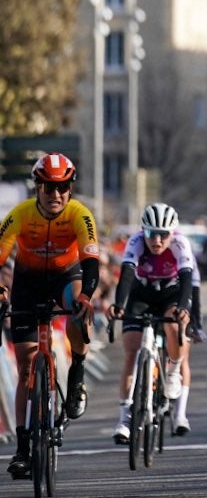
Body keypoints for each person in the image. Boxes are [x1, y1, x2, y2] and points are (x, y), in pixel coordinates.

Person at [0, 153, 100, 478]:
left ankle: (78, 375)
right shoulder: (19, 215)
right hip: (27, 284)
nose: (55, 194)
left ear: (70, 188)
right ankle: (22, 449)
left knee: (79, 311)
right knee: (26, 366)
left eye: (62, 187)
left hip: (65, 278)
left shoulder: (79, 215)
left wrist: (85, 297)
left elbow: (91, 265)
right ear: (37, 187)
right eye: (48, 187)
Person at [107, 202, 194, 443]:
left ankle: (173, 371)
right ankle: (124, 417)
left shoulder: (180, 243)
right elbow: (125, 275)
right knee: (131, 350)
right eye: (151, 234)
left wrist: (185, 308)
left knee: (174, 326)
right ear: (143, 231)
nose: (157, 240)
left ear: (172, 233)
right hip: (142, 293)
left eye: (163, 235)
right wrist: (119, 305)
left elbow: (187, 280)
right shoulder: (134, 242)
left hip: (170, 293)